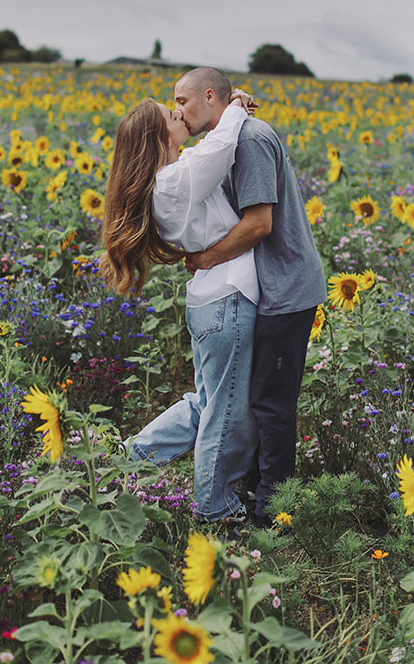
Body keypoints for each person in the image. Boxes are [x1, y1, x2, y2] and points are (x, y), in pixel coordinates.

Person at [100, 88, 259, 523]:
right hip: (226, 299)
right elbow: (221, 147)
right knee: (226, 411)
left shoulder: (169, 180)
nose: (180, 116)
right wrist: (234, 108)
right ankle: (215, 509)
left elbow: (207, 152)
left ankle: (126, 460)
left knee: (205, 404)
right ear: (158, 136)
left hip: (211, 301)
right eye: (171, 114)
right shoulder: (172, 183)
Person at [176, 67, 327, 526]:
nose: (177, 111)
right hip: (265, 287)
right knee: (251, 398)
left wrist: (206, 259)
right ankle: (248, 493)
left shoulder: (250, 140)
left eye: (182, 101)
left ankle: (272, 514)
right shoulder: (229, 135)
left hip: (285, 287)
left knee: (271, 403)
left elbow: (260, 223)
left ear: (209, 96)